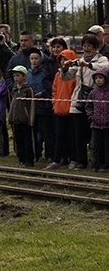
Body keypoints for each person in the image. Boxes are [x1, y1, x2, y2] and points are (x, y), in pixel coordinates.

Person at [60, 33, 109, 169]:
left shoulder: (102, 59)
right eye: (85, 46)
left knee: (97, 135)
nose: (87, 49)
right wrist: (64, 68)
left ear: (96, 47)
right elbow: (66, 77)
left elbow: (105, 69)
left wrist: (88, 64)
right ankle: (80, 160)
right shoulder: (79, 60)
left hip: (97, 101)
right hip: (79, 100)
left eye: (90, 46)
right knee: (78, 134)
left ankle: (100, 162)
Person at [47, 48, 77, 169]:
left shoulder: (75, 74)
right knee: (59, 136)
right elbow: (54, 90)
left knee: (72, 136)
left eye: (66, 59)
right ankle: (57, 160)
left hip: (71, 110)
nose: (64, 62)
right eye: (61, 59)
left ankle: (74, 158)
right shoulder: (58, 74)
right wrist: (55, 104)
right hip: (59, 109)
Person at [26, 48, 54, 162]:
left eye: (36, 58)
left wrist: (43, 93)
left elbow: (48, 85)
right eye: (32, 59)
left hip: (44, 105)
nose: (34, 61)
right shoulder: (28, 73)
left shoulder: (44, 71)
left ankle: (49, 154)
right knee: (35, 131)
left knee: (47, 132)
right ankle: (36, 153)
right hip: (32, 107)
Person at [8, 65, 36, 166]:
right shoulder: (14, 90)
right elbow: (12, 104)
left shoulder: (28, 89)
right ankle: (21, 159)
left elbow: (32, 105)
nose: (16, 78)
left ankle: (29, 160)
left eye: (18, 75)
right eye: (14, 76)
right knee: (18, 141)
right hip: (16, 119)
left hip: (25, 120)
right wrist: (11, 117)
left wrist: (31, 119)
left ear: (24, 76)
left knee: (27, 141)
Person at [85, 67, 109, 171]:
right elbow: (88, 106)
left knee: (107, 147)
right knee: (95, 147)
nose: (98, 80)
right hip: (95, 124)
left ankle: (106, 165)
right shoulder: (93, 93)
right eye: (96, 78)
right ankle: (95, 165)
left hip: (108, 125)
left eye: (101, 78)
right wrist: (92, 116)